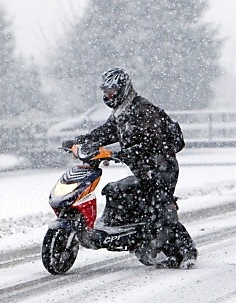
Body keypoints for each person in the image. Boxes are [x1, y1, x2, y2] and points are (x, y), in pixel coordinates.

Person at [62, 68, 197, 269]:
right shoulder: (121, 112)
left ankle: (185, 252)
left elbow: (152, 145)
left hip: (162, 168)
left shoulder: (143, 110)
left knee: (157, 207)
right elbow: (106, 132)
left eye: (111, 91)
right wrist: (81, 141)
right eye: (105, 92)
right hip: (144, 169)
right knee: (116, 191)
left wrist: (117, 154)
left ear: (122, 89)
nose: (107, 96)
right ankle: (127, 233)